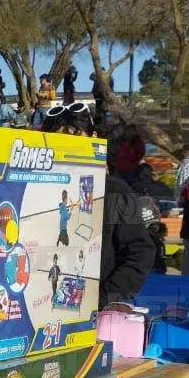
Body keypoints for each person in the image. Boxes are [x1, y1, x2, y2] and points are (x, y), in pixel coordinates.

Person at [40, 105, 153, 307]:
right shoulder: (33, 190)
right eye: (59, 141)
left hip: (93, 311)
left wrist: (103, 298)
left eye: (76, 140)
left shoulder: (114, 191)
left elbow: (140, 252)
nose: (68, 148)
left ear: (93, 137)